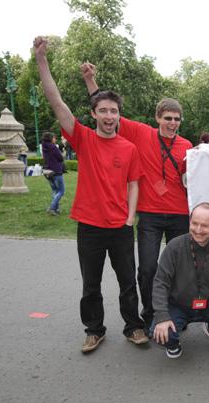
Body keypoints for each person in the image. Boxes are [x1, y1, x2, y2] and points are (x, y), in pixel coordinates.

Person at [34, 36, 148, 353]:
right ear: (94, 113)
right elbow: (57, 102)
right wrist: (42, 61)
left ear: (118, 115)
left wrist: (130, 217)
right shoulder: (83, 139)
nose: (109, 116)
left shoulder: (129, 148)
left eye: (114, 111)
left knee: (128, 283)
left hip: (121, 228)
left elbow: (133, 184)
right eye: (103, 110)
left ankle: (134, 326)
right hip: (90, 226)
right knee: (90, 285)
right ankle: (94, 330)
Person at [81, 63, 194, 333]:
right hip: (150, 216)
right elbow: (106, 111)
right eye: (167, 118)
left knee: (180, 269)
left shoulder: (187, 145)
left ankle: (178, 313)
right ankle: (151, 313)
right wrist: (90, 80)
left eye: (177, 119)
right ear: (157, 118)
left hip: (179, 215)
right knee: (147, 269)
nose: (172, 123)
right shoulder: (140, 133)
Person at [151, 202, 209, 359]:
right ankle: (173, 343)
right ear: (189, 222)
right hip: (179, 304)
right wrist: (162, 316)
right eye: (194, 223)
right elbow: (160, 283)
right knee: (162, 334)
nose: (198, 230)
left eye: (204, 225)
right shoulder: (174, 247)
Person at [41, 132, 65, 216]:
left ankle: (56, 208)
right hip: (56, 171)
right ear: (50, 139)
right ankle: (52, 207)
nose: (55, 139)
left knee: (55, 190)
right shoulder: (53, 147)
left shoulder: (44, 146)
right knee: (61, 191)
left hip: (47, 171)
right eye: (54, 138)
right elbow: (60, 158)